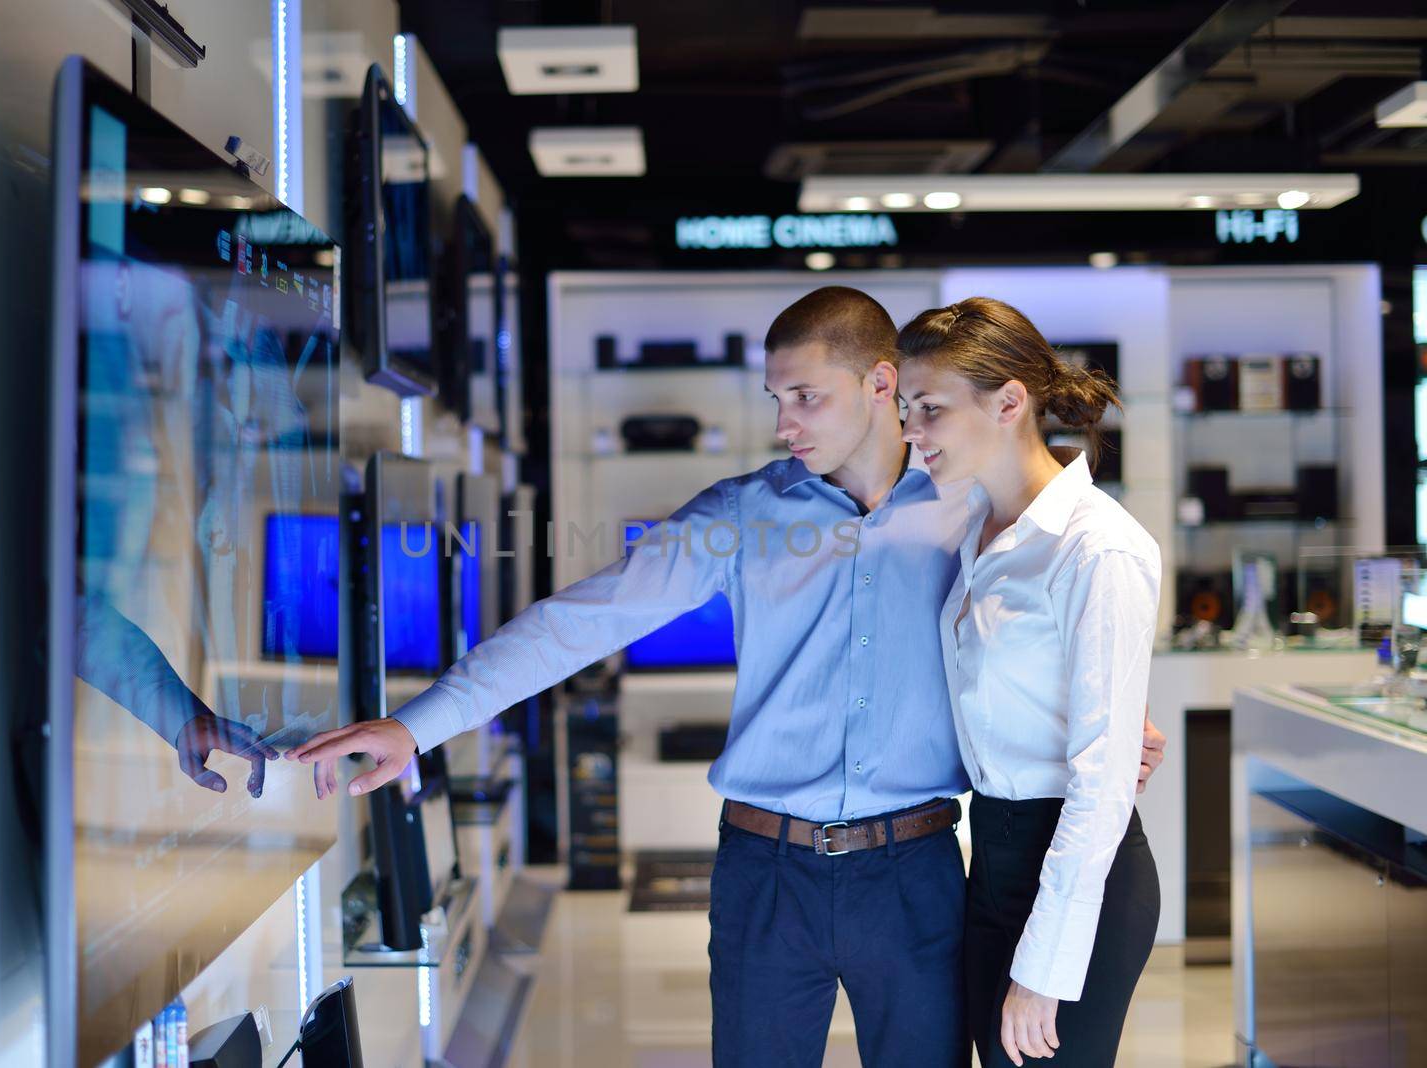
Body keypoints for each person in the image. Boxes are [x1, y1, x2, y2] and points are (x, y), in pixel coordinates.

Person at [290, 286, 1166, 1067]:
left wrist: (1117, 720)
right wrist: (416, 726)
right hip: (764, 875)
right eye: (776, 399)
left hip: (920, 876)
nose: (784, 423)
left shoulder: (970, 505)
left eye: (805, 397)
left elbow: (1049, 627)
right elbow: (581, 621)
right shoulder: (741, 514)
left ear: (882, 384)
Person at [897, 297, 1162, 1068]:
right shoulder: (976, 522)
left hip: (1080, 874)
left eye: (931, 409)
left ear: (1010, 402)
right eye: (908, 408)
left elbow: (1102, 781)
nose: (912, 431)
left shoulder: (1097, 547)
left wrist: (1046, 970)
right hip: (996, 857)